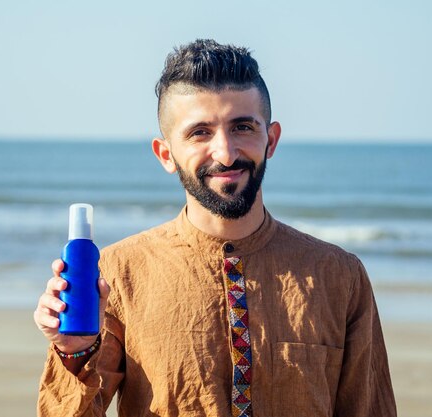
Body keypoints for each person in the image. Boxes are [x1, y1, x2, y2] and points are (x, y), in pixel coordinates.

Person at [34, 39, 396, 417]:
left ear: (270, 139)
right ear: (166, 154)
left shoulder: (339, 276)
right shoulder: (117, 274)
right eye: (200, 133)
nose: (225, 153)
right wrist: (75, 352)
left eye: (242, 127)